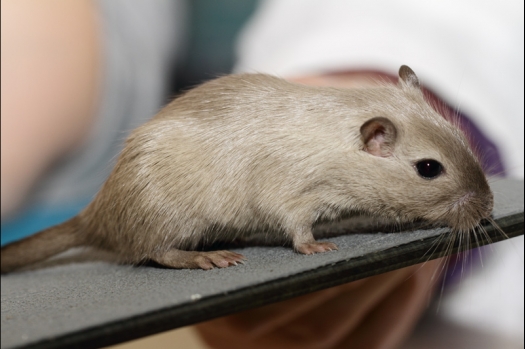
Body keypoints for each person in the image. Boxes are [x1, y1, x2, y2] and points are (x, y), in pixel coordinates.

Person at [2, 1, 522, 348]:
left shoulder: (367, 144)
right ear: (374, 141)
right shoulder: (319, 151)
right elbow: (282, 194)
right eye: (428, 170)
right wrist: (301, 235)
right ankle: (164, 249)